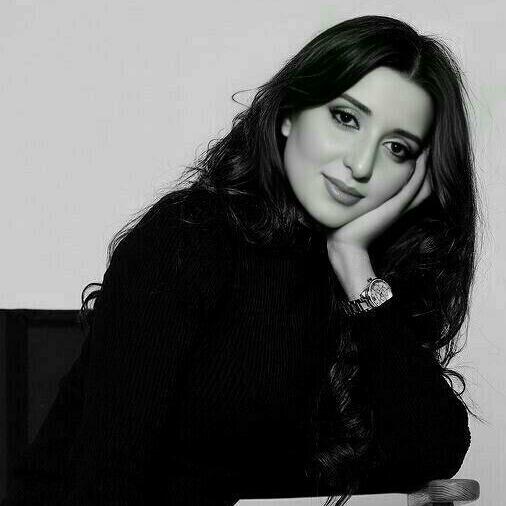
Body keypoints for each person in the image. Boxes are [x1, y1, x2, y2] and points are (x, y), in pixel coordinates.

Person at [2, 14, 480, 506]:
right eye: (345, 118)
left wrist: (354, 264)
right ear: (290, 113)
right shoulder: (187, 239)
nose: (360, 165)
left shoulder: (361, 274)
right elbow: (106, 487)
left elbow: (431, 451)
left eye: (396, 148)